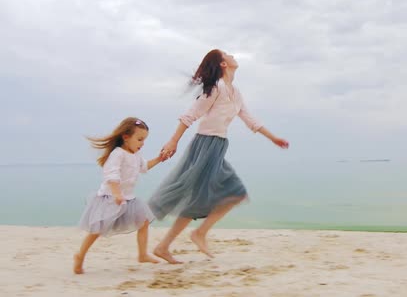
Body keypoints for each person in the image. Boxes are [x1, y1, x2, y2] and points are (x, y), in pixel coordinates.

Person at [149, 49, 289, 263]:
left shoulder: (235, 91)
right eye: (227, 54)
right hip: (204, 145)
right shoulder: (215, 88)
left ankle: (179, 240)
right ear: (223, 64)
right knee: (219, 195)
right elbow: (191, 115)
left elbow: (249, 119)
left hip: (218, 146)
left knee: (233, 194)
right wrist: (173, 141)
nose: (232, 56)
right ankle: (186, 238)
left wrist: (273, 138)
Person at [74, 117, 163, 274]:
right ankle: (80, 256)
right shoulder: (118, 154)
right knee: (97, 231)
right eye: (140, 139)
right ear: (126, 137)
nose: (142, 143)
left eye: (144, 140)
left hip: (129, 199)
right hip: (111, 198)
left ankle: (142, 254)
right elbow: (111, 175)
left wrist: (160, 159)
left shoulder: (135, 155)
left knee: (144, 222)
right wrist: (116, 193)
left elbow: (144, 166)